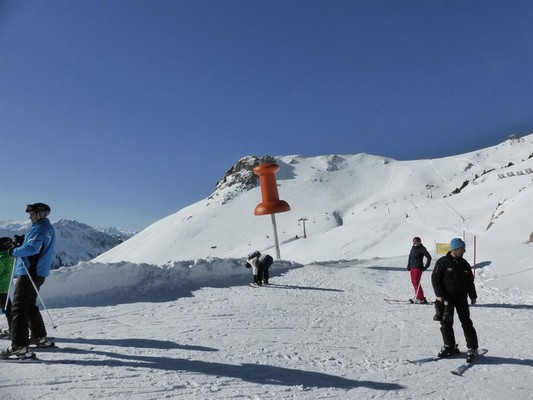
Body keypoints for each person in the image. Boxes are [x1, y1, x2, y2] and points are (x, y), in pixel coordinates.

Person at [0, 203, 56, 359]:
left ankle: (19, 346)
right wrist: (23, 241)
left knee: (17, 308)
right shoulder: (45, 227)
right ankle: (39, 337)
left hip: (29, 272)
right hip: (38, 272)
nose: (29, 216)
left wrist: (13, 251)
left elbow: (32, 249)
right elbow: (32, 245)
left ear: (40, 214)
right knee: (29, 306)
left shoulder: (40, 228)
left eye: (31, 214)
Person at [431, 238, 479, 361]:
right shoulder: (442, 262)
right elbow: (435, 279)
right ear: (455, 249)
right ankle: (449, 347)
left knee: (466, 322)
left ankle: (472, 348)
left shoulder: (465, 264)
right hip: (447, 298)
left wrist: (472, 296)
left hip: (461, 298)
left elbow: (470, 282)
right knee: (446, 322)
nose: (464, 251)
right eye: (462, 249)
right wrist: (439, 295)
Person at [406, 236, 431, 304]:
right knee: (414, 283)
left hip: (418, 268)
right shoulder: (413, 248)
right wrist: (408, 265)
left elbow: (429, 257)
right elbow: (410, 256)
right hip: (412, 268)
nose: (415, 244)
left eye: (417, 243)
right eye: (414, 243)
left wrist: (425, 267)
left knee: (416, 283)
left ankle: (421, 298)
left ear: (420, 243)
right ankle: (418, 297)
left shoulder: (422, 249)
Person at [0, 237, 15, 338]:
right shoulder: (11, 256)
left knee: (8, 309)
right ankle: (13, 329)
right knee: (8, 309)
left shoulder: (2, 259)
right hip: (5, 287)